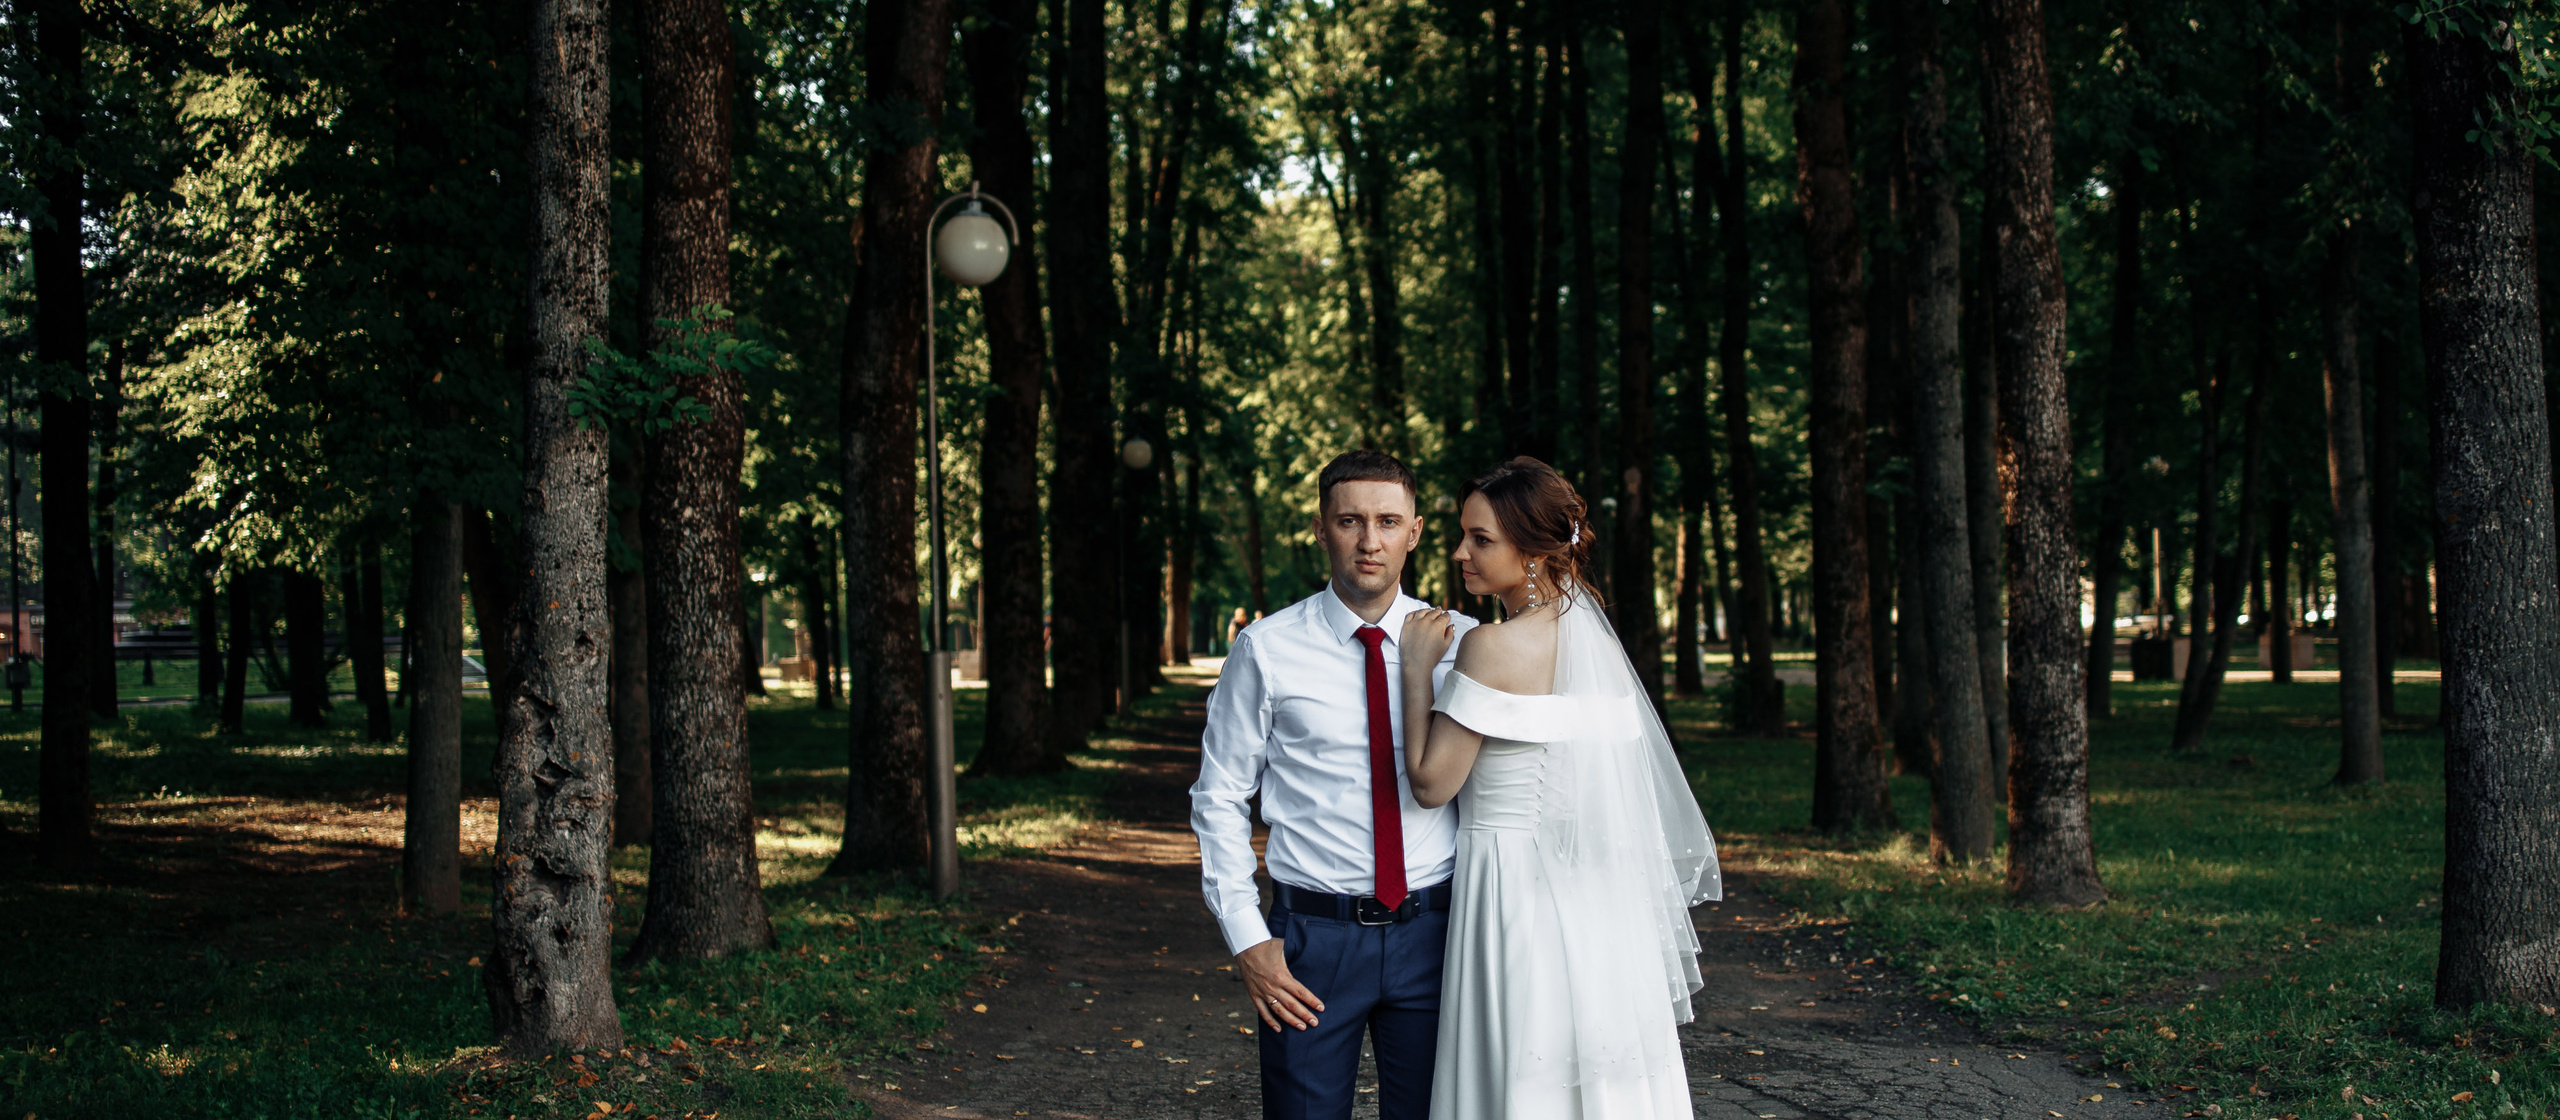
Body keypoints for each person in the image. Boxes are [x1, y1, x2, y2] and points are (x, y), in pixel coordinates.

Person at [1398, 456, 1720, 1119]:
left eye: (1480, 539)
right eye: (1464, 534)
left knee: (1518, 1064)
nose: (1460, 552)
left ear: (1536, 550)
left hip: (1511, 885)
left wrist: (1413, 670)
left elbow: (1432, 783)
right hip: (1595, 894)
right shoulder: (1593, 644)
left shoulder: (1491, 646)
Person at [1192, 448, 1477, 1120]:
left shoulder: (1463, 644)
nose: (1369, 541)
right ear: (1322, 529)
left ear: (1414, 532)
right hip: (1312, 944)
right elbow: (1219, 795)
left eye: (1387, 521)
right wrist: (1247, 936)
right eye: (1350, 521)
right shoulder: (1266, 649)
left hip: (1438, 933)